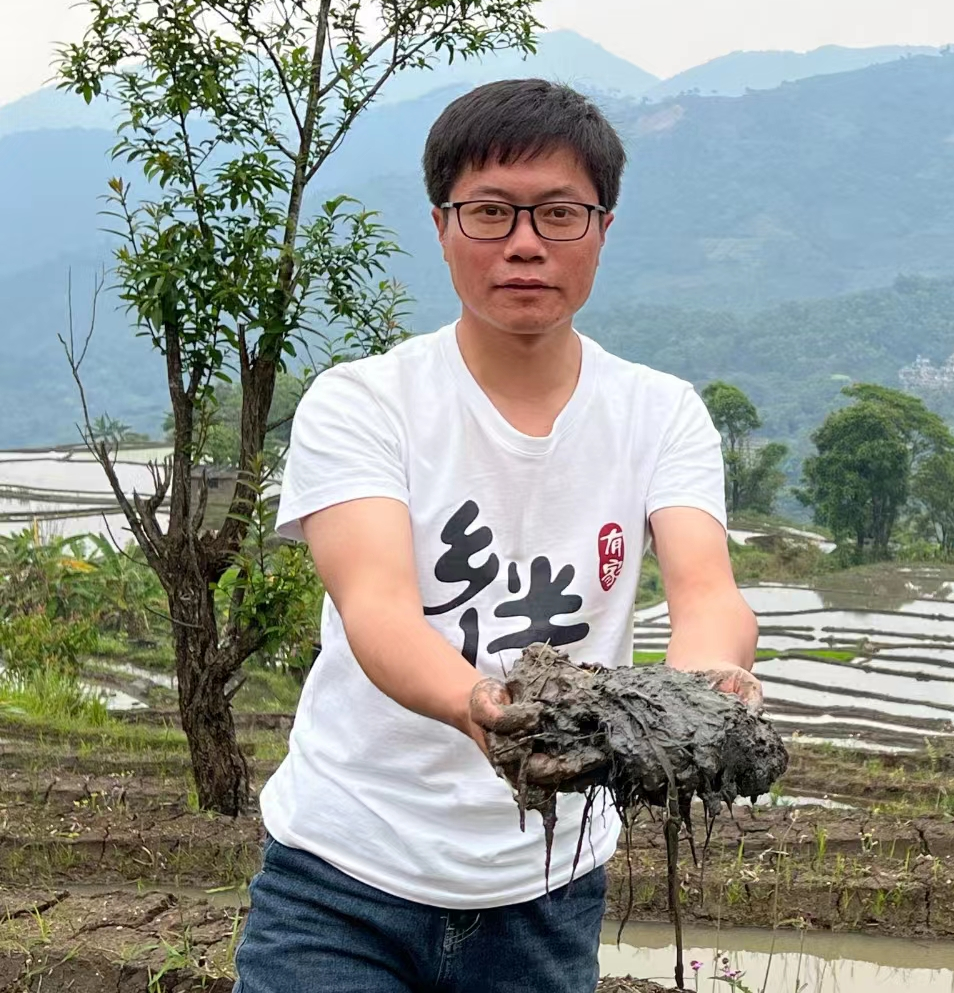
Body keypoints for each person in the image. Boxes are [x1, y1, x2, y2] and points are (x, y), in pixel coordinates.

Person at [234, 79, 761, 993]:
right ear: (443, 226)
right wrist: (483, 706)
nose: (525, 243)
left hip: (546, 893)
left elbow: (705, 590)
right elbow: (378, 610)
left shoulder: (660, 413)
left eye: (559, 212)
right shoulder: (364, 403)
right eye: (490, 212)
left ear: (602, 227)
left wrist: (707, 686)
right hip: (343, 873)